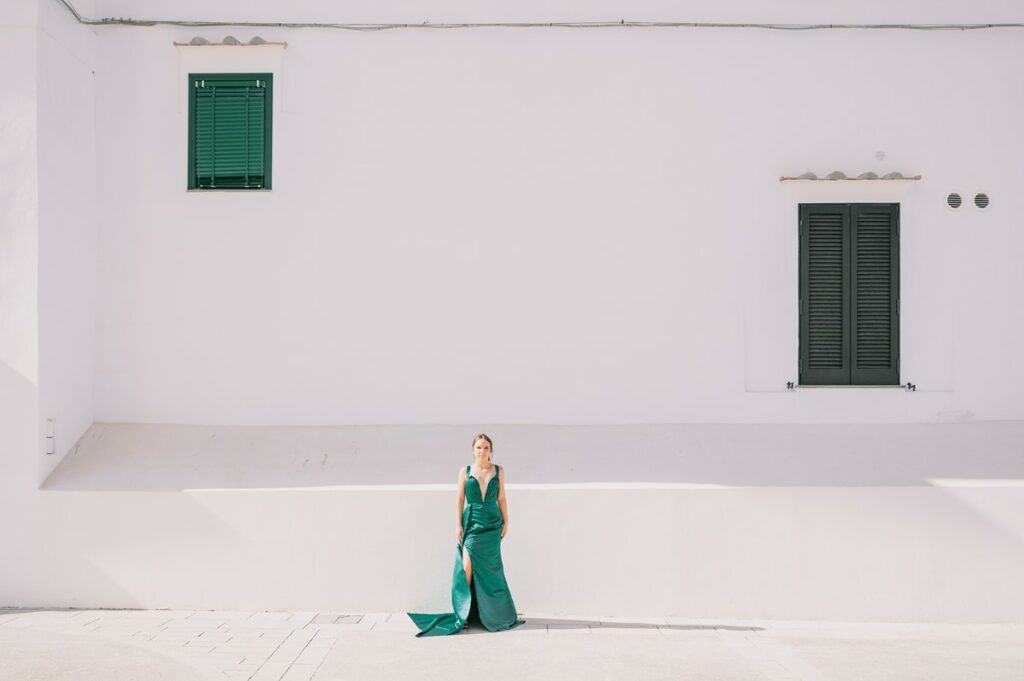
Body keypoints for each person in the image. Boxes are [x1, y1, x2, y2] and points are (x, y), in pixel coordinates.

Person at [407, 433, 526, 636]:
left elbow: (502, 497)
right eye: (479, 447)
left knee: (492, 570)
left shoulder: (499, 471)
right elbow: (459, 499)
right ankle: (462, 614)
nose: (482, 451)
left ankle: (499, 614)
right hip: (472, 523)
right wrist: (458, 526)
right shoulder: (465, 471)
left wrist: (507, 521)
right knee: (467, 566)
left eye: (486, 447)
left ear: (491, 451)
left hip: (492, 523)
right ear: (473, 450)